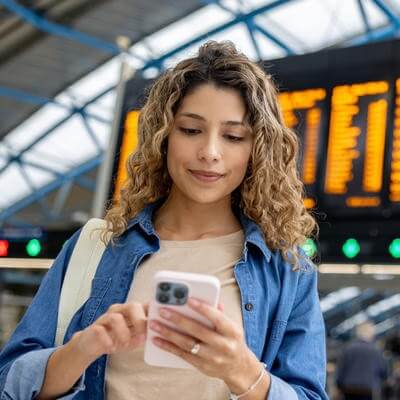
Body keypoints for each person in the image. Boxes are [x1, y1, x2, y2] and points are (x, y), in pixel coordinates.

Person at [0, 41, 328, 400]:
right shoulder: (95, 246)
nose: (210, 152)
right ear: (164, 136)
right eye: (190, 130)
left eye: (233, 136)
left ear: (256, 150)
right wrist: (81, 351)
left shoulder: (286, 267)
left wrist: (243, 373)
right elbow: (8, 381)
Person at [336, 321, 388, 400]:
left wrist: (338, 385)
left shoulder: (348, 348)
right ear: (371, 333)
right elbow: (383, 371)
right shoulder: (376, 351)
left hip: (348, 389)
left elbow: (341, 369)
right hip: (367, 389)